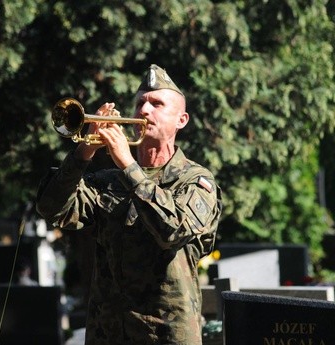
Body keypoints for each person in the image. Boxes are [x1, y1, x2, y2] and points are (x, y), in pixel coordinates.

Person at [36, 64, 222, 345]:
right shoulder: (108, 181)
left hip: (164, 335)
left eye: (157, 104)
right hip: (107, 334)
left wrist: (127, 164)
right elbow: (52, 208)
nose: (144, 112)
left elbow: (172, 230)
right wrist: (84, 151)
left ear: (181, 120)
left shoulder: (196, 180)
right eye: (140, 104)